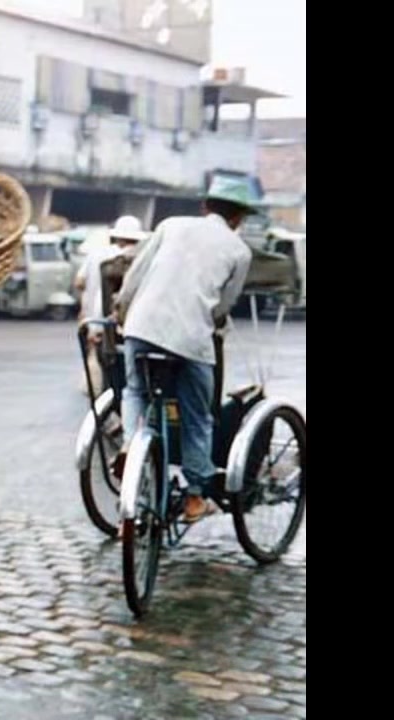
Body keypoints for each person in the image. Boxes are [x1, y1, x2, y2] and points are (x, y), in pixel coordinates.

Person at [114, 176, 256, 522]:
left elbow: (134, 277)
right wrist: (212, 322)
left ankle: (131, 444)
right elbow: (224, 305)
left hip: (142, 327)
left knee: (135, 392)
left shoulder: (170, 226)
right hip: (191, 340)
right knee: (198, 417)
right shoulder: (239, 250)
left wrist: (121, 312)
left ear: (205, 207)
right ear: (239, 218)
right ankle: (194, 497)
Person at [77, 216, 147, 395]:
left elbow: (81, 283)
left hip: (101, 323)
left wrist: (91, 322)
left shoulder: (99, 255)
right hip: (134, 329)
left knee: (109, 375)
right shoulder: (143, 258)